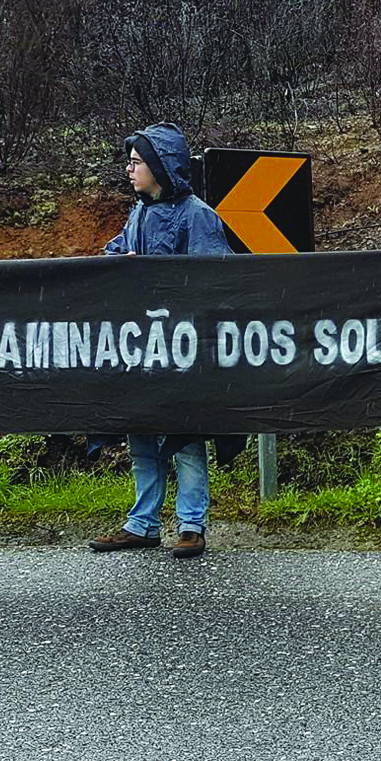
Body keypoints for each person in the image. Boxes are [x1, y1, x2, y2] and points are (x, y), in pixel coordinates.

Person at [88, 123, 234, 559]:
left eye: (137, 163)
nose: (130, 171)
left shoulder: (197, 215)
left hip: (183, 349)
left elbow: (217, 278)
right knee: (142, 436)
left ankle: (191, 525)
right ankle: (142, 523)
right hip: (141, 348)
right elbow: (112, 256)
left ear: (160, 167)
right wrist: (121, 263)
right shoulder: (138, 214)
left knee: (186, 437)